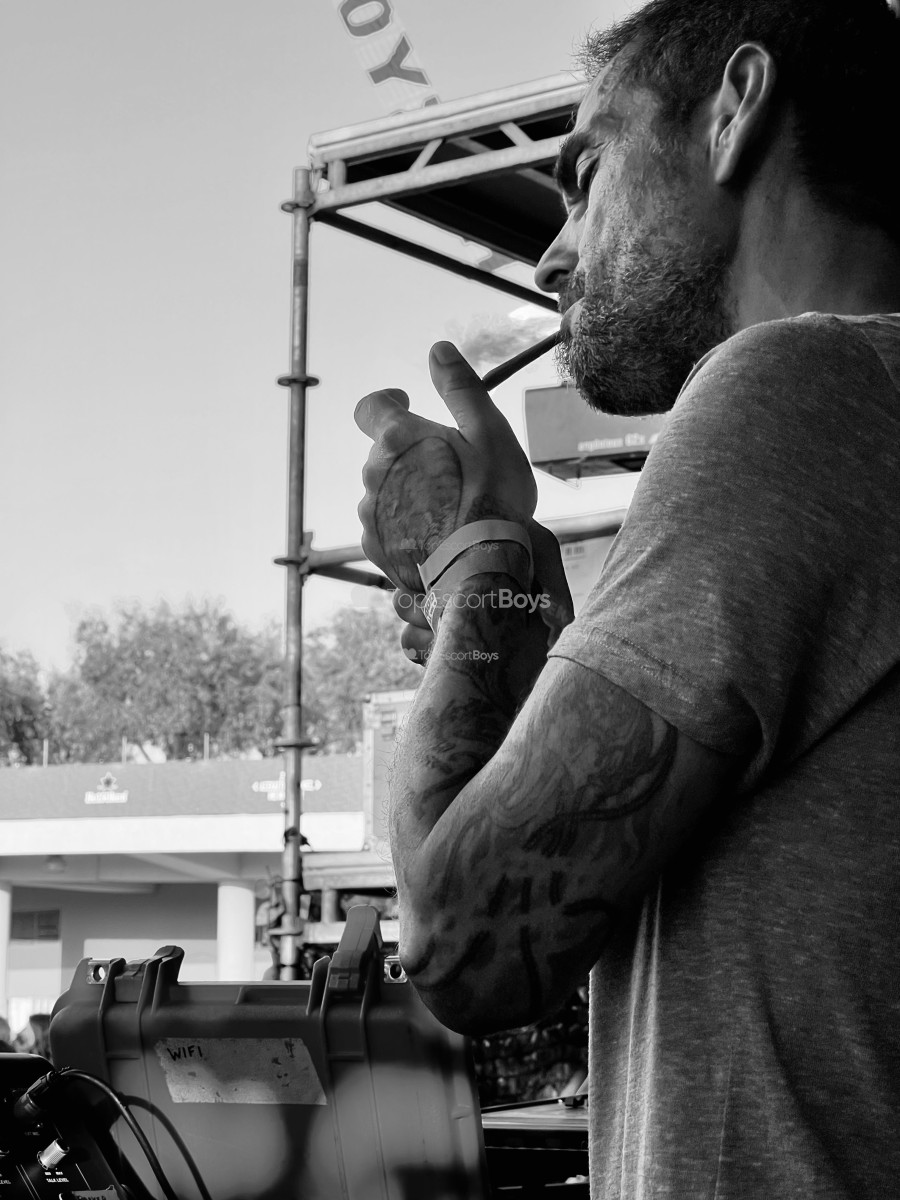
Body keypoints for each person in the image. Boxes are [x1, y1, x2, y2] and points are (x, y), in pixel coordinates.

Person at [354, 0, 900, 1196]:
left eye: (584, 175)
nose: (552, 256)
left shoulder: (805, 385)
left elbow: (466, 945)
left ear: (735, 108)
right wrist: (505, 602)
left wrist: (476, 562)